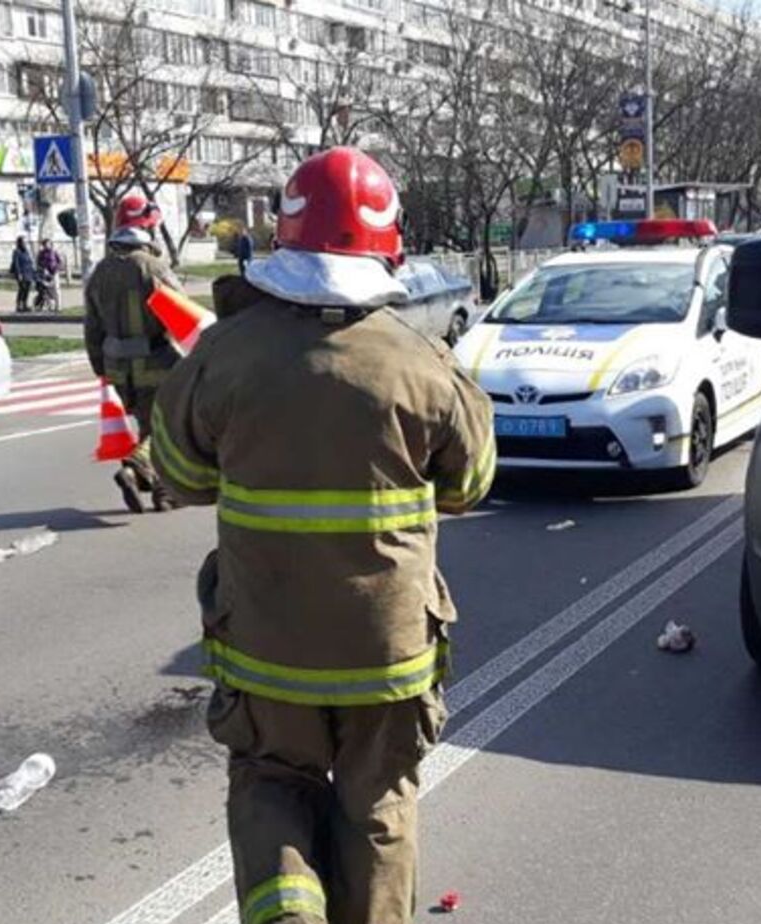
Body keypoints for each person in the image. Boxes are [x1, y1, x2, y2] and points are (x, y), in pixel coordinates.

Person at [153, 147, 494, 924]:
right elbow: (469, 487)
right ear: (387, 245)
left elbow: (178, 472)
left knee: (274, 784)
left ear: (288, 236)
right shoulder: (423, 364)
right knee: (379, 808)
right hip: (388, 649)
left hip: (266, 647)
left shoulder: (226, 354)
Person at [84, 194, 185, 513]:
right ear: (146, 229)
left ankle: (163, 492)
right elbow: (182, 313)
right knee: (167, 427)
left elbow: (92, 327)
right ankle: (134, 467)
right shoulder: (152, 267)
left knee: (148, 425)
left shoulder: (99, 273)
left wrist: (101, 367)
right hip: (155, 362)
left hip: (118, 367)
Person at [35, 240, 65, 312]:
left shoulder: (54, 252)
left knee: (56, 289)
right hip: (45, 274)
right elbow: (38, 263)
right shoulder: (41, 253)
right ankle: (50, 306)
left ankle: (58, 306)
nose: (46, 246)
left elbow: (60, 262)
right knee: (47, 290)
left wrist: (56, 269)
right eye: (45, 244)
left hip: (54, 273)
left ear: (51, 244)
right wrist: (43, 269)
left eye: (48, 244)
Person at [10, 236, 37, 313]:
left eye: (25, 242)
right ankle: (19, 305)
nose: (24, 243)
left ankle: (25, 304)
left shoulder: (27, 251)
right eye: (23, 242)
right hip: (22, 274)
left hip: (29, 273)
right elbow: (16, 263)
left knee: (27, 290)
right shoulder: (16, 251)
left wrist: (33, 271)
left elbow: (30, 262)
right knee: (22, 289)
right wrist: (19, 274)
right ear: (19, 243)